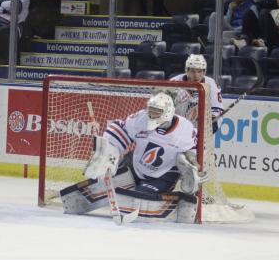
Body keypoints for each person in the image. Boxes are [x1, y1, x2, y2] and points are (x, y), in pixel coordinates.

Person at [61, 92, 207, 222]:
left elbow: (196, 149)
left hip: (163, 175)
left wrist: (192, 161)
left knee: (135, 198)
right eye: (151, 110)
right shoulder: (141, 118)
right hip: (135, 167)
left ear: (167, 113)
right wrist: (109, 151)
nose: (152, 114)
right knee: (97, 184)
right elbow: (121, 129)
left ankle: (181, 204)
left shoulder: (185, 130)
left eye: (157, 112)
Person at [169, 54, 223, 133]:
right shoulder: (174, 82)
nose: (196, 76)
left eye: (199, 71)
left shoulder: (211, 84)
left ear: (204, 72)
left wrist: (210, 121)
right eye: (193, 71)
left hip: (201, 125)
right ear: (186, 70)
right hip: (177, 123)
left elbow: (217, 109)